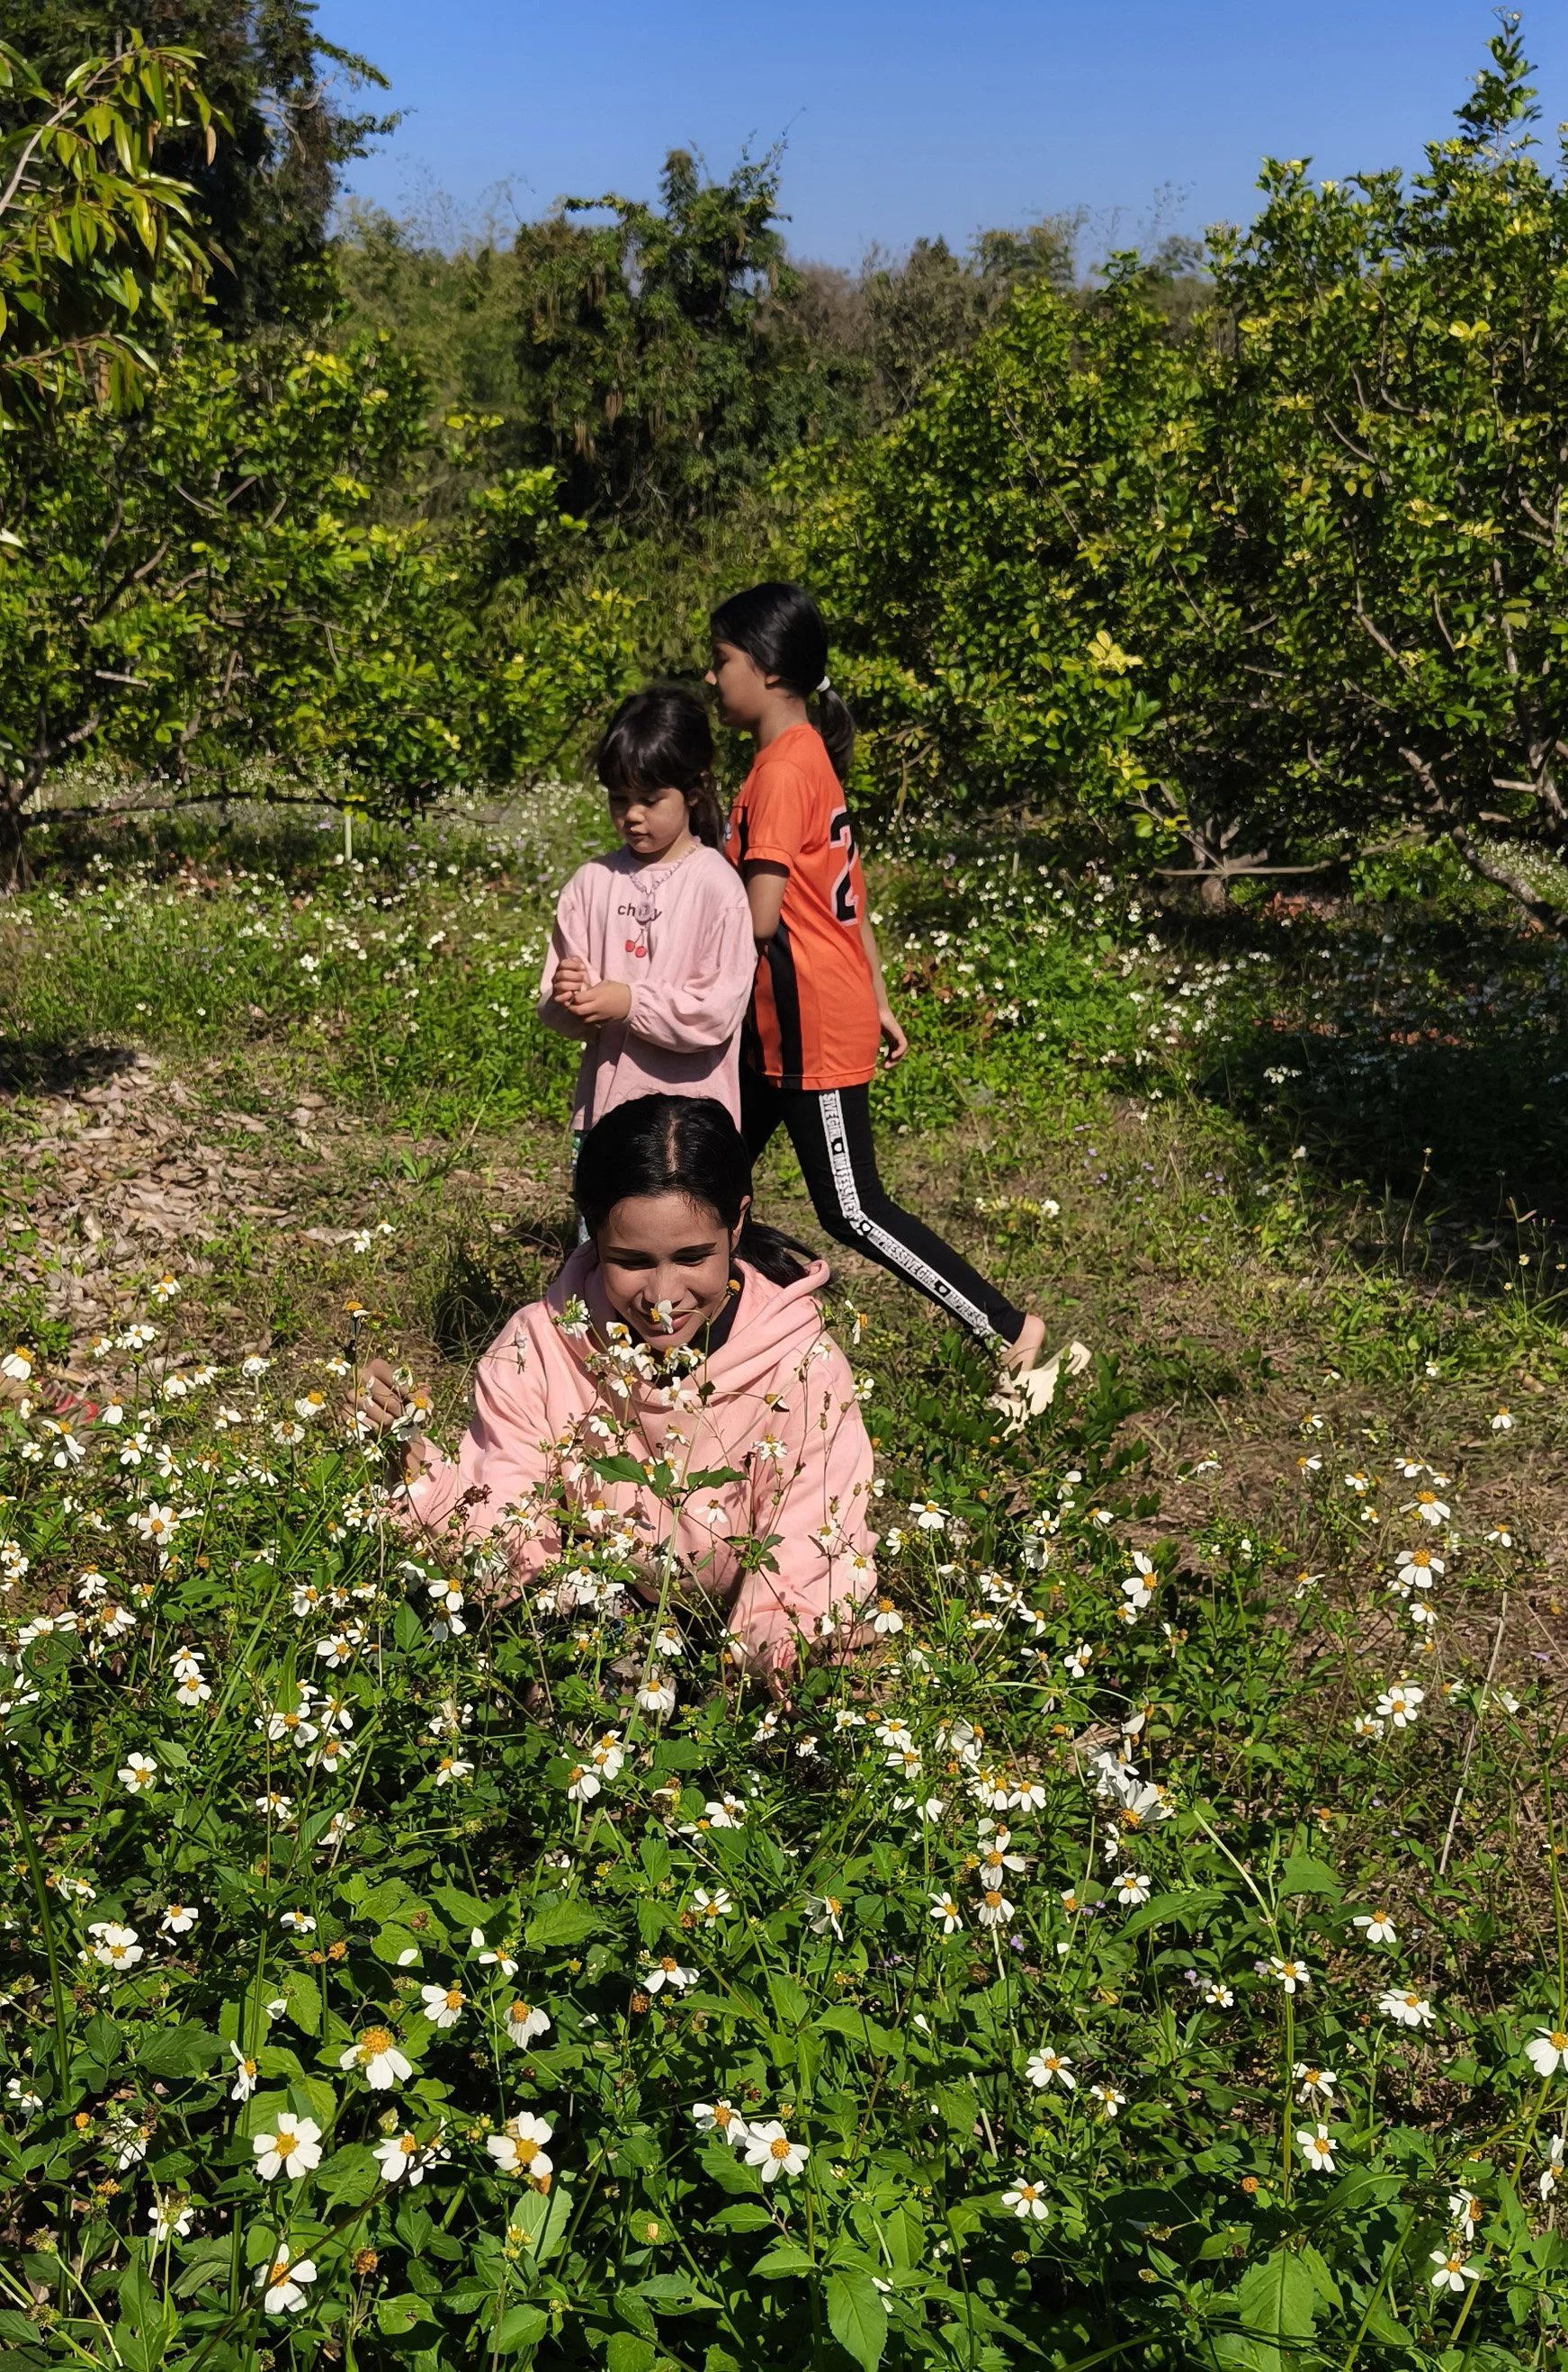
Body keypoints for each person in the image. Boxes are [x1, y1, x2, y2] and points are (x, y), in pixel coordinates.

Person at [709, 580, 1088, 1419]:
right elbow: (846, 898)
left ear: (767, 670)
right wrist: (878, 995)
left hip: (806, 1025)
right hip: (784, 1023)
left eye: (721, 661)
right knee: (707, 1176)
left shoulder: (779, 770)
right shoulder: (802, 755)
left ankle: (1006, 1329)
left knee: (851, 1207)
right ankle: (724, 1330)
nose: (710, 679)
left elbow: (764, 917)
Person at [352, 1094, 877, 1694]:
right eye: (630, 1260)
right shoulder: (539, 1346)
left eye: (691, 1257)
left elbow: (812, 1546)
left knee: (844, 1686)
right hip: (598, 1614)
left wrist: (781, 1656)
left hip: (750, 1635)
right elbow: (510, 1538)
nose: (661, 1294)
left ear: (736, 1222)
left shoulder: (799, 1365)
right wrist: (415, 1472)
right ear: (592, 1231)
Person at [538, 686, 756, 1129]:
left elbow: (716, 1013)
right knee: (608, 1202)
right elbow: (557, 1008)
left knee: (678, 1202)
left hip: (690, 1122)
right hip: (605, 1118)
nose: (632, 815)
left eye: (650, 800)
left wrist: (632, 1002)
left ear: (694, 793)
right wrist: (567, 994)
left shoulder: (716, 887)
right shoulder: (591, 884)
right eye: (619, 799)